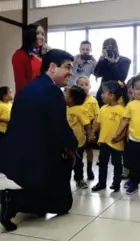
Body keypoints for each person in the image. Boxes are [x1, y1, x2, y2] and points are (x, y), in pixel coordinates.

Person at [0, 49, 78, 231]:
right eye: (67, 67)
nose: (71, 72)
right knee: (63, 204)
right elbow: (60, 127)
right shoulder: (52, 91)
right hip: (38, 158)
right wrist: (72, 148)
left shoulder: (29, 88)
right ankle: (14, 200)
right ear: (52, 67)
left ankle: (23, 196)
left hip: (15, 156)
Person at [90, 81, 127, 192]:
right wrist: (92, 133)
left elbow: (125, 127)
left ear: (111, 95)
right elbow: (98, 123)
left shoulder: (122, 110)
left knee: (117, 163)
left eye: (103, 93)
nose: (101, 95)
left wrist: (120, 138)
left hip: (116, 142)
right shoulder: (103, 109)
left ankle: (116, 183)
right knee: (102, 163)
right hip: (104, 141)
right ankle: (101, 183)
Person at [66, 85, 93, 189]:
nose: (65, 95)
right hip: (66, 141)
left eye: (66, 94)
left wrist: (90, 134)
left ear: (71, 98)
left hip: (78, 141)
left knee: (78, 161)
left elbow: (87, 124)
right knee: (66, 161)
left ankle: (79, 179)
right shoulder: (65, 108)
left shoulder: (81, 109)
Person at [12, 24, 49, 96]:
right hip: (28, 98)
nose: (41, 37)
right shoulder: (20, 54)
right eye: (38, 33)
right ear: (30, 34)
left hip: (41, 96)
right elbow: (20, 83)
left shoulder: (41, 55)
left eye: (43, 34)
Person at [94, 38, 131, 107]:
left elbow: (121, 77)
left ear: (116, 48)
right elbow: (97, 74)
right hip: (104, 91)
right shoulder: (104, 60)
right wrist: (102, 59)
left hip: (119, 92)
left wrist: (113, 63)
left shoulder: (125, 61)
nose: (109, 51)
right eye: (106, 48)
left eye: (111, 48)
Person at [76, 76, 99, 180]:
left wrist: (93, 131)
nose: (84, 87)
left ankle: (89, 169)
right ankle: (78, 170)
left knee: (89, 149)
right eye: (81, 85)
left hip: (89, 127)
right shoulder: (76, 100)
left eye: (86, 84)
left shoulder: (93, 101)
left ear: (90, 86)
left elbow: (97, 115)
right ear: (77, 86)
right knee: (79, 150)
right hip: (79, 128)